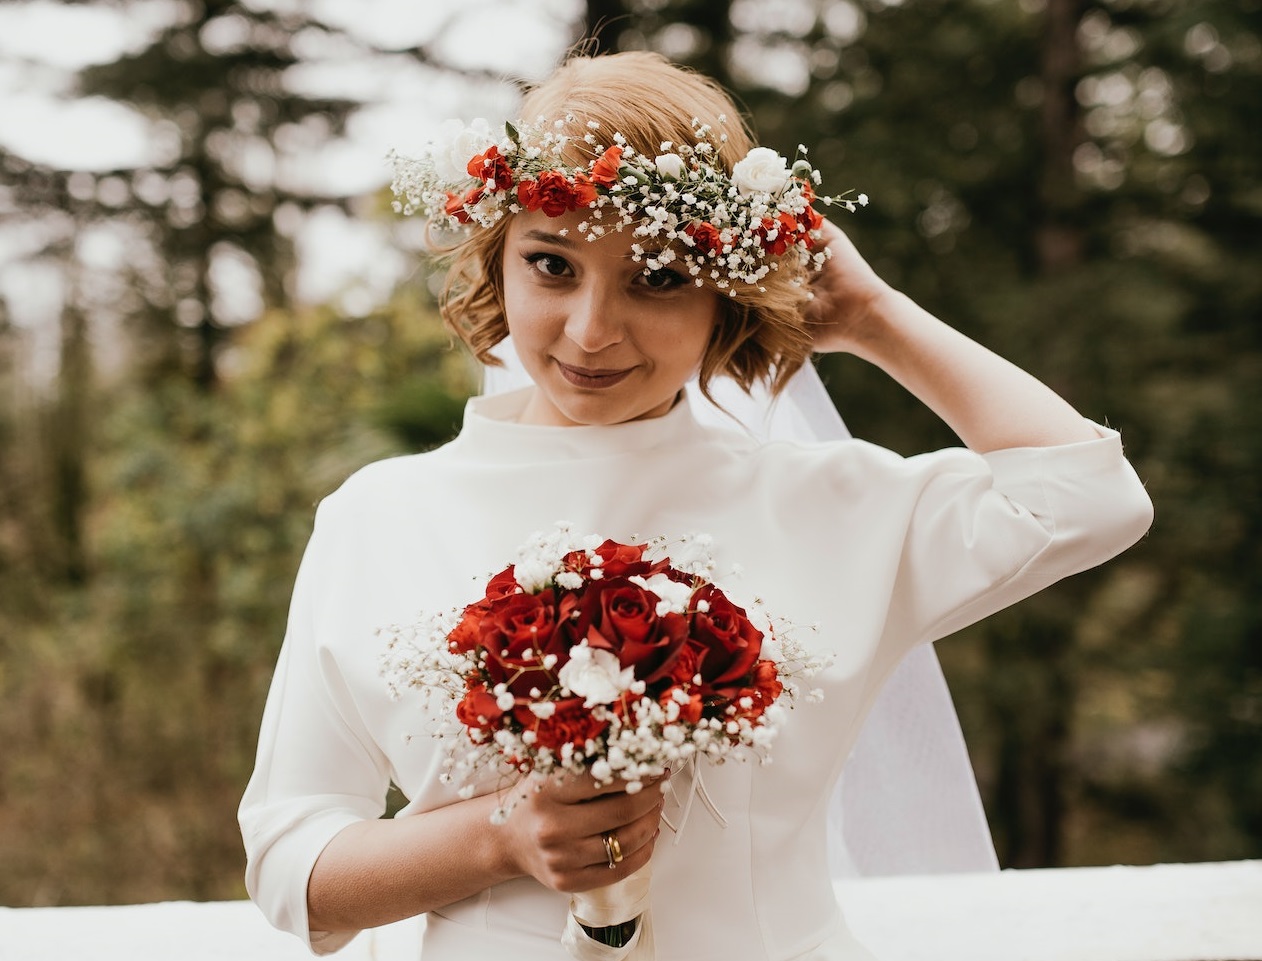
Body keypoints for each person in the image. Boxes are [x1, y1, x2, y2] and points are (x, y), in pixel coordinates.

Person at [239, 50, 1153, 960]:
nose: (592, 329)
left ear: (728, 297)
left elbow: (1091, 497)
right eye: (552, 264)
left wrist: (872, 316)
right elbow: (292, 869)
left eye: (660, 277)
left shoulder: (827, 502)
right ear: (497, 261)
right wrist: (498, 835)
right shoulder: (378, 517)